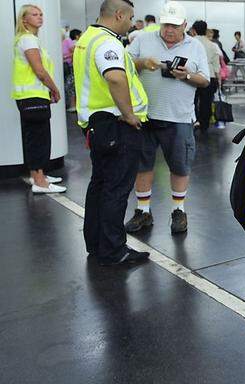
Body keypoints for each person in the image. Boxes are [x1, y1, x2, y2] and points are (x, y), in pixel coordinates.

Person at [73, 0, 150, 265]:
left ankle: (96, 244)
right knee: (116, 190)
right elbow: (115, 77)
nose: (131, 23)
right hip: (117, 125)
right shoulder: (108, 43)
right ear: (119, 15)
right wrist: (130, 115)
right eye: (130, 18)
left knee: (100, 185)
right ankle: (114, 251)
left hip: (98, 126)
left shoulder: (88, 38)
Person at [125, 1, 210, 234]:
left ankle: (179, 210)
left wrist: (188, 75)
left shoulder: (195, 47)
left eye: (174, 25)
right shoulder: (143, 39)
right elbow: (125, 65)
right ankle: (143, 211)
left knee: (180, 166)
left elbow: (205, 79)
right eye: (165, 25)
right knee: (142, 165)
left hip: (179, 117)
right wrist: (142, 62)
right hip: (144, 115)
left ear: (184, 25)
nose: (169, 30)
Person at [12, 4, 66, 194]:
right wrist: (55, 89)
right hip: (33, 97)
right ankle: (40, 182)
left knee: (35, 137)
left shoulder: (28, 39)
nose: (40, 17)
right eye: (34, 14)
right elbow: (40, 71)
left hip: (31, 97)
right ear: (24, 19)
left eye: (41, 14)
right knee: (39, 139)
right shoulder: (28, 40)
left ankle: (38, 175)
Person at [192, 20, 222, 131]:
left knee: (192, 100)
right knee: (206, 102)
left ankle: (194, 121)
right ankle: (204, 125)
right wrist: (219, 79)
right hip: (209, 76)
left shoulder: (190, 43)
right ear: (205, 30)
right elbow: (216, 64)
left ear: (194, 30)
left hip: (192, 76)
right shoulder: (212, 45)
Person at [62, 28, 81, 112]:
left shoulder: (66, 42)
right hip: (70, 66)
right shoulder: (69, 41)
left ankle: (72, 105)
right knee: (72, 86)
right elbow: (75, 51)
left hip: (68, 66)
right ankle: (73, 105)